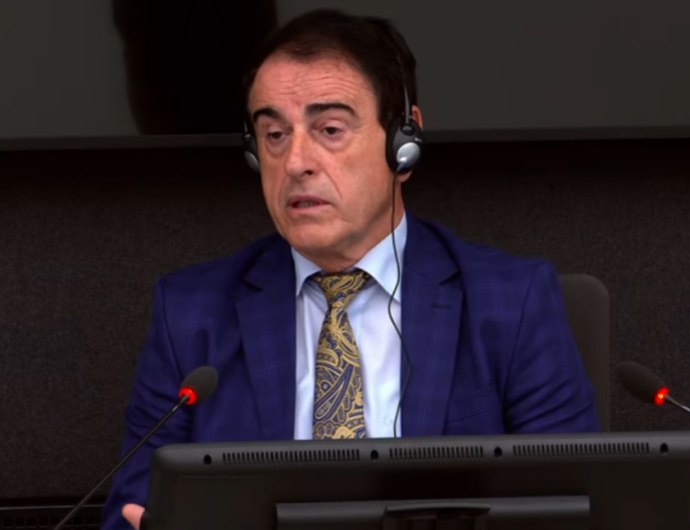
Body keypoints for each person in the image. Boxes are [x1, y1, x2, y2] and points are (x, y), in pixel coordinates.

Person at [101, 8, 600, 530]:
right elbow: (131, 512)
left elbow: (574, 508)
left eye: (330, 129)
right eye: (274, 134)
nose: (296, 162)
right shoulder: (190, 315)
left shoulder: (512, 303)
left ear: (404, 144)